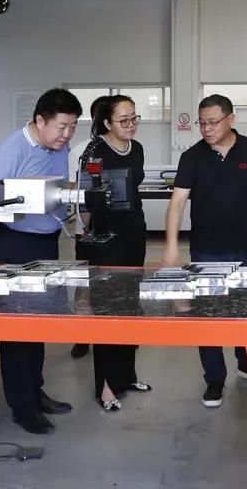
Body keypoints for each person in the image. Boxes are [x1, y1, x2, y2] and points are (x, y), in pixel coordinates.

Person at [0, 88, 81, 435]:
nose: (66, 135)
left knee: (38, 322)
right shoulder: (12, 149)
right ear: (40, 121)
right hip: (15, 244)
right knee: (16, 327)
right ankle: (22, 407)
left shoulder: (59, 145)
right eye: (61, 127)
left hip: (46, 241)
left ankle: (35, 391)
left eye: (72, 127)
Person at [164, 94, 247, 409]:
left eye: (213, 122)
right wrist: (171, 246)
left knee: (245, 311)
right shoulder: (192, 157)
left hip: (246, 248)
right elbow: (177, 202)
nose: (207, 129)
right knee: (208, 316)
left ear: (231, 119)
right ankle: (214, 379)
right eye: (202, 123)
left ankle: (246, 363)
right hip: (206, 251)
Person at [79, 95, 153, 411]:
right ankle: (107, 386)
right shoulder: (94, 152)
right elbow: (85, 199)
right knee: (108, 308)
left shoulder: (137, 149)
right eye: (124, 120)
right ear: (107, 123)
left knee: (130, 304)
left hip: (134, 231)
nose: (131, 124)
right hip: (107, 238)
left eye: (134, 118)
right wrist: (90, 236)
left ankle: (126, 375)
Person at [69, 94, 111, 360]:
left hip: (117, 231)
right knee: (84, 283)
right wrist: (87, 225)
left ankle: (118, 334)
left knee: (117, 283)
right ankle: (83, 335)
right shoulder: (80, 151)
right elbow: (75, 191)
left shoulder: (129, 148)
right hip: (86, 231)